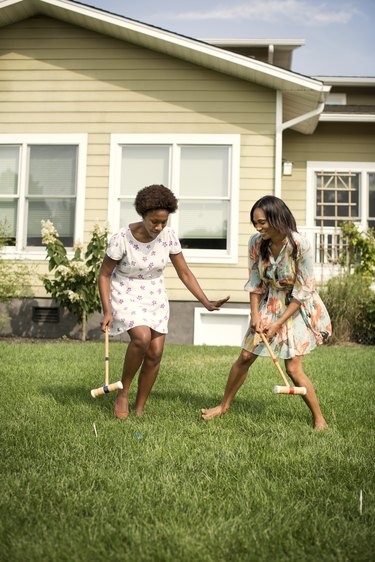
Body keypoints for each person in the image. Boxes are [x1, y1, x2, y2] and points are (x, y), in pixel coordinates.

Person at [99, 184, 230, 419]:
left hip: (154, 293)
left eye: (163, 222)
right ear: (143, 215)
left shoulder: (168, 237)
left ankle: (139, 409)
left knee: (155, 352)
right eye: (154, 222)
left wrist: (206, 302)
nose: (158, 227)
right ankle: (124, 392)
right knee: (142, 338)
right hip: (126, 291)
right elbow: (104, 274)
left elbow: (185, 273)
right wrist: (107, 310)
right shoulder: (122, 238)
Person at [201, 195, 331, 431]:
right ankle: (223, 406)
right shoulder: (256, 243)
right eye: (255, 223)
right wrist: (255, 316)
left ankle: (319, 418)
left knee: (292, 368)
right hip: (270, 302)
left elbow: (304, 291)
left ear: (277, 218)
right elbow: (254, 281)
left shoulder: (300, 245)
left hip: (297, 307)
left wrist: (278, 323)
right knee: (245, 357)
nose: (258, 228)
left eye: (262, 222)